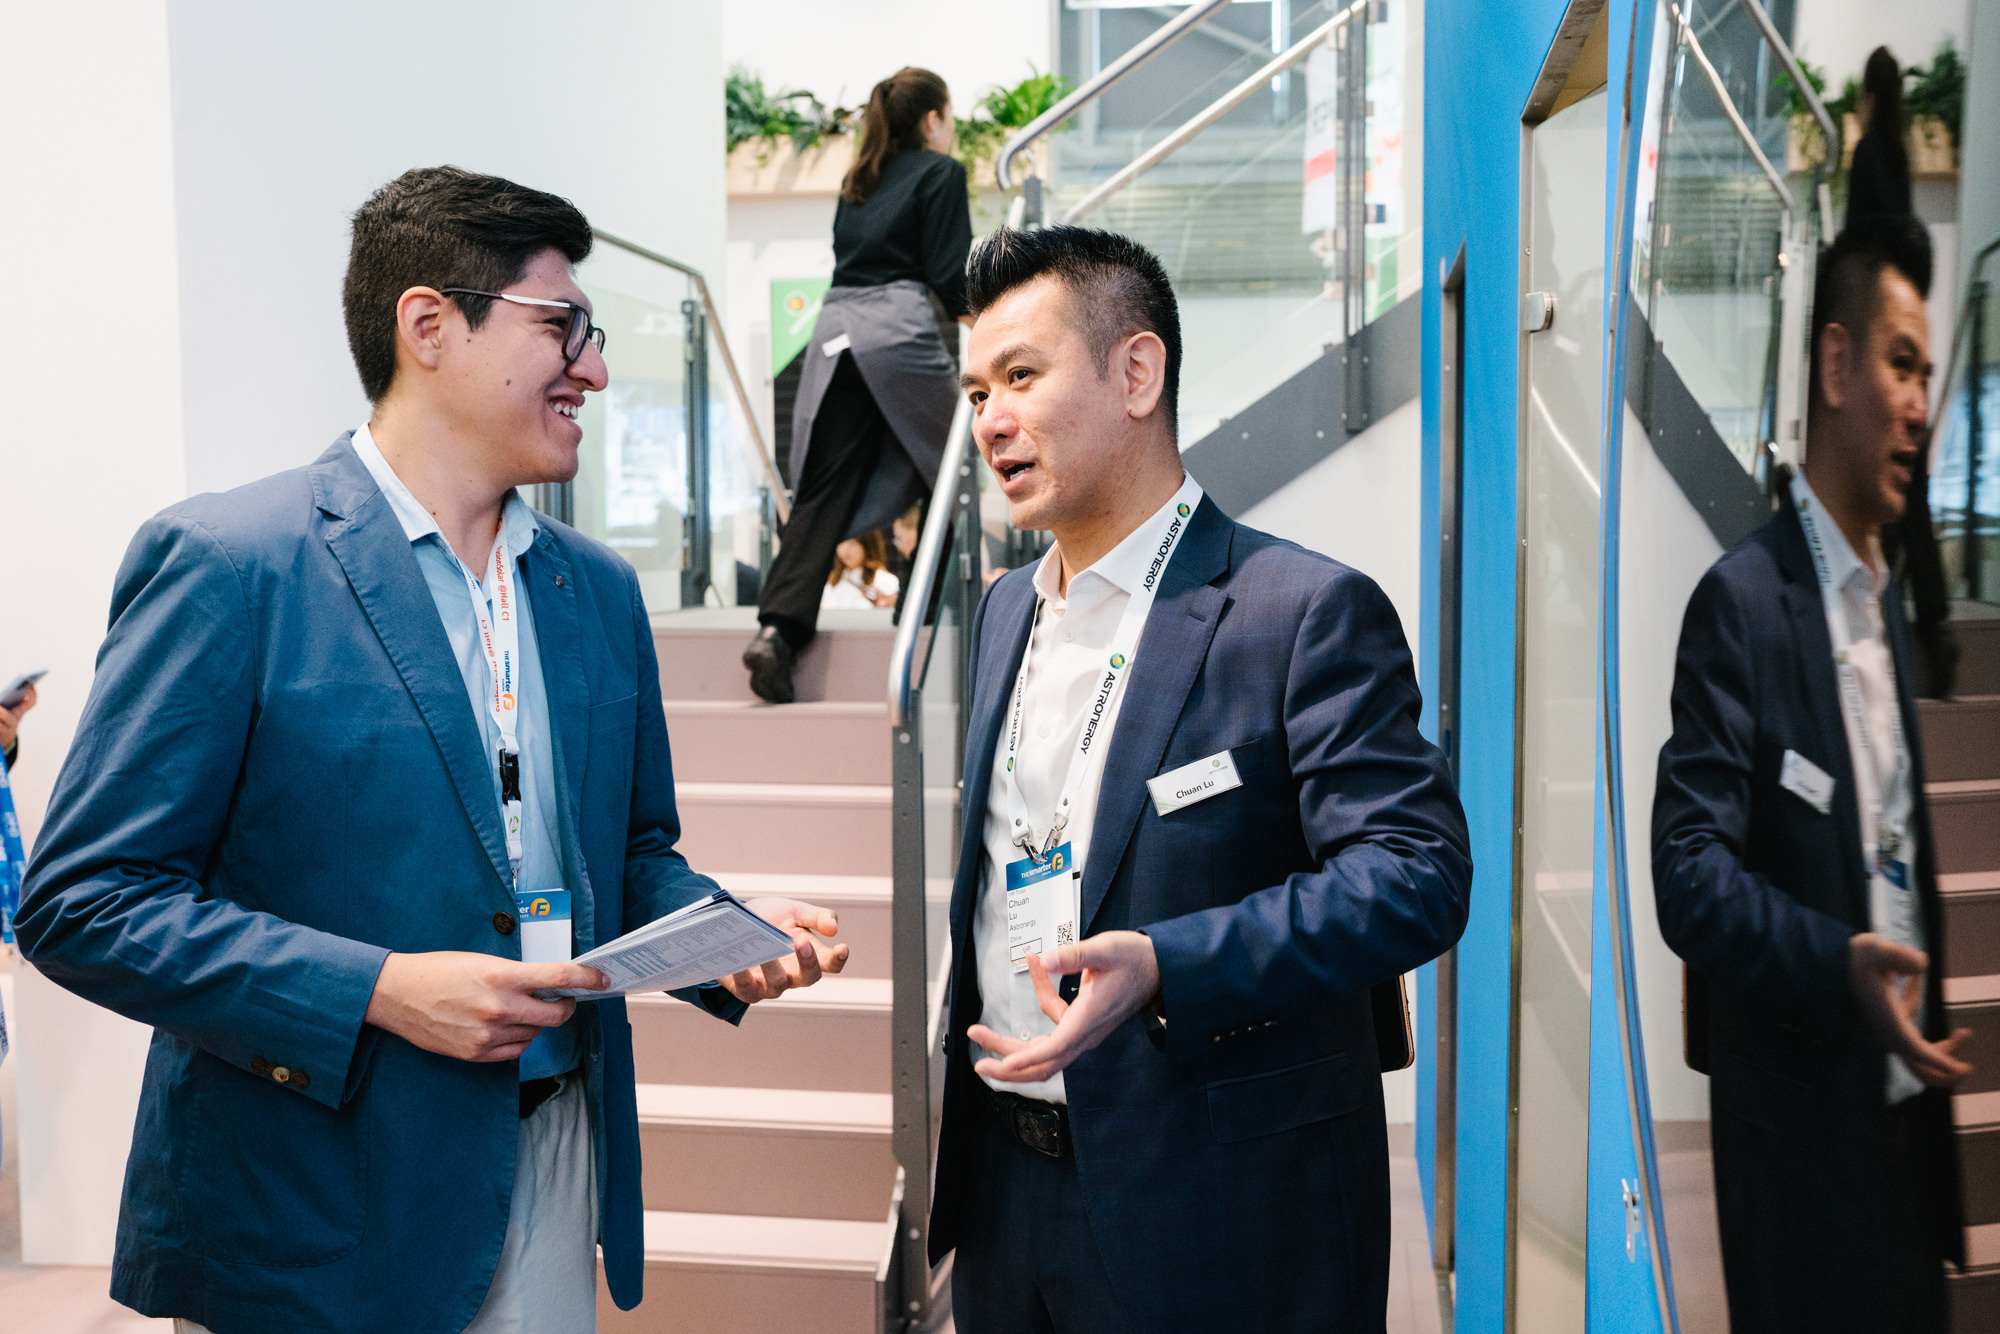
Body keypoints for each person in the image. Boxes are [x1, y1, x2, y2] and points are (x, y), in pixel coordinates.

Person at [16, 167, 848, 1334]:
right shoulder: (233, 562)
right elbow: (84, 901)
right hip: (313, 1197)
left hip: (557, 1164)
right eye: (561, 328)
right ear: (428, 326)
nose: (594, 369)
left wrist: (722, 931)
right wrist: (381, 990)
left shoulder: (595, 590)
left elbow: (630, 849)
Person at [927, 226, 1472, 1331]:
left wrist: (1166, 962)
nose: (988, 420)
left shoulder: (1297, 610)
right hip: (1003, 1189)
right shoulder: (998, 610)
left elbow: (1414, 874)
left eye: (1021, 376)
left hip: (1215, 1202)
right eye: (977, 388)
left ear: (1136, 372)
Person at [1653, 216, 1970, 1333]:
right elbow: (1688, 873)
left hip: (1898, 1126)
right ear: (1833, 365)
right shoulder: (1740, 604)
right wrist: (1835, 962)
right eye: (1898, 363)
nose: (1920, 402)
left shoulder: (1880, 600)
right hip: (1795, 1144)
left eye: (1928, 372)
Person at [743, 66, 972, 703]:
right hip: (896, 334)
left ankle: (777, 634)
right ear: (933, 120)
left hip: (835, 335)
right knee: (952, 469)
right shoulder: (940, 172)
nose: (949, 130)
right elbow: (952, 277)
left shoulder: (860, 181)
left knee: (824, 488)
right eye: (949, 118)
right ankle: (921, 616)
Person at [1845, 45, 1960, 697]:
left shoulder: (1865, 155)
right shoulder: (1900, 158)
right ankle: (1935, 632)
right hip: (1905, 341)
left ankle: (1888, 629)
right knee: (1908, 494)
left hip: (1872, 344)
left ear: (1867, 94)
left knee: (1876, 495)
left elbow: (1860, 250)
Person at [820, 532, 899, 610]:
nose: (846, 549)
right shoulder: (831, 582)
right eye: (841, 542)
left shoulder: (884, 579)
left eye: (852, 543)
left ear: (866, 544)